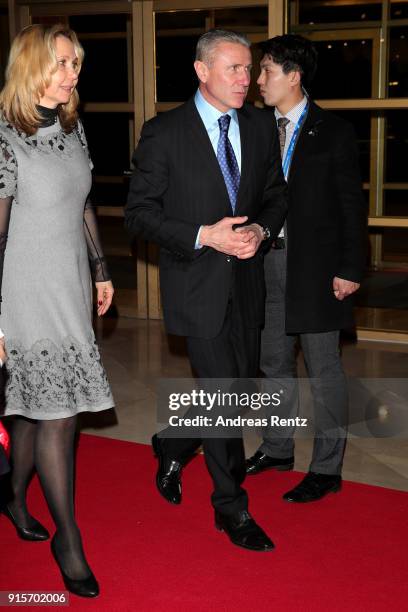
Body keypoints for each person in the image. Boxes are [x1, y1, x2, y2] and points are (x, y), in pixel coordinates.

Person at [126, 29, 287, 552]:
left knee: (238, 392)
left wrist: (260, 231)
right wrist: (204, 236)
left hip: (247, 282)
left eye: (249, 69)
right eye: (234, 69)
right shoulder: (164, 132)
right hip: (197, 285)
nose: (247, 80)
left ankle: (172, 443)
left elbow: (275, 197)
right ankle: (231, 508)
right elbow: (140, 214)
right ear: (202, 71)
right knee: (223, 399)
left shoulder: (261, 128)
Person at [0, 24, 114, 597]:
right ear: (31, 66)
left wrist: (99, 269)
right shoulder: (2, 135)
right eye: (64, 63)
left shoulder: (72, 126)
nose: (74, 74)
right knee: (58, 412)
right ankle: (67, 538)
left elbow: (84, 202)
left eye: (76, 63)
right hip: (22, 288)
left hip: (68, 282)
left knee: (29, 409)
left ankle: (14, 498)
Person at [246, 34, 367, 502]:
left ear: (293, 76)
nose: (259, 81)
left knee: (323, 368)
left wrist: (350, 267)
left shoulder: (332, 131)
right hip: (265, 265)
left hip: (317, 271)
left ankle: (326, 468)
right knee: (272, 362)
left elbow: (351, 206)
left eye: (267, 72)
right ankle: (277, 449)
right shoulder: (254, 128)